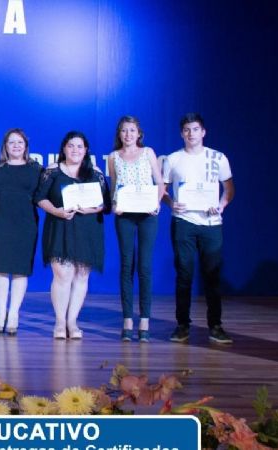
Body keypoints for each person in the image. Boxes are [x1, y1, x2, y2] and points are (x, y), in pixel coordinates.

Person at [163, 113, 235, 344]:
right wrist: (172, 203)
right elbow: (163, 191)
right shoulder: (173, 159)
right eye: (186, 129)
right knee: (184, 273)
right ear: (181, 133)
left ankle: (216, 325)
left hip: (211, 223)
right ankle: (182, 324)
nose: (191, 133)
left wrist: (221, 205)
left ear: (203, 132)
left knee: (212, 276)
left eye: (195, 129)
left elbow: (229, 188)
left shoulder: (218, 157)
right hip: (183, 222)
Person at [35, 131, 110, 340]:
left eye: (80, 146)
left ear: (86, 150)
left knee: (82, 275)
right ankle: (60, 322)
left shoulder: (95, 173)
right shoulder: (52, 171)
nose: (75, 150)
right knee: (62, 275)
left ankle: (72, 321)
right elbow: (40, 198)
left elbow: (105, 203)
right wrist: (57, 211)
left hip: (88, 229)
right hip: (60, 226)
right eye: (71, 146)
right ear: (64, 149)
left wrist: (93, 209)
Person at [107, 116, 165, 342]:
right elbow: (114, 187)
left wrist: (156, 203)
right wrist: (114, 204)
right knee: (126, 265)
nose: (128, 134)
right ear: (119, 134)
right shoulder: (113, 157)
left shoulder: (148, 152)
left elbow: (159, 183)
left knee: (145, 266)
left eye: (132, 130)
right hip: (125, 216)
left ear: (139, 133)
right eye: (124, 131)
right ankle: (127, 321)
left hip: (147, 215)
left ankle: (145, 322)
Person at [0, 129, 42, 335]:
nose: (16, 146)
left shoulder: (36, 169)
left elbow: (45, 195)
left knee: (20, 269)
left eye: (20, 142)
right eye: (11, 142)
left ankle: (14, 313)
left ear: (26, 145)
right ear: (5, 146)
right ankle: (1, 313)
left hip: (25, 224)